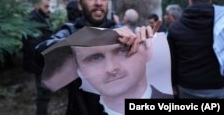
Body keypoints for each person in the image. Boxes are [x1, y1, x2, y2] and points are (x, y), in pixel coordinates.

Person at [35, 0, 157, 115]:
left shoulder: (120, 30)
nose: (98, 3)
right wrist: (100, 36)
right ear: (80, 5)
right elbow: (41, 53)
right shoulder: (70, 31)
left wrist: (146, 45)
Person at [40, 27, 173, 115]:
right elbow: (40, 54)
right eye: (94, 58)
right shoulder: (69, 30)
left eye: (122, 51)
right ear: (78, 68)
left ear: (148, 52)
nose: (111, 68)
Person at [167, 0, 224, 98]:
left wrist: (173, 83)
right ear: (210, 2)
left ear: (190, 2)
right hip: (218, 85)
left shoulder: (175, 27)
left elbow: (172, 60)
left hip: (188, 86)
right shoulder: (221, 24)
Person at [22, 0, 53, 115]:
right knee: (43, 96)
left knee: (45, 94)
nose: (49, 9)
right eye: (46, 6)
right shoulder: (32, 21)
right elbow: (35, 46)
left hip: (43, 63)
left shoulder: (42, 17)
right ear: (36, 5)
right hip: (39, 64)